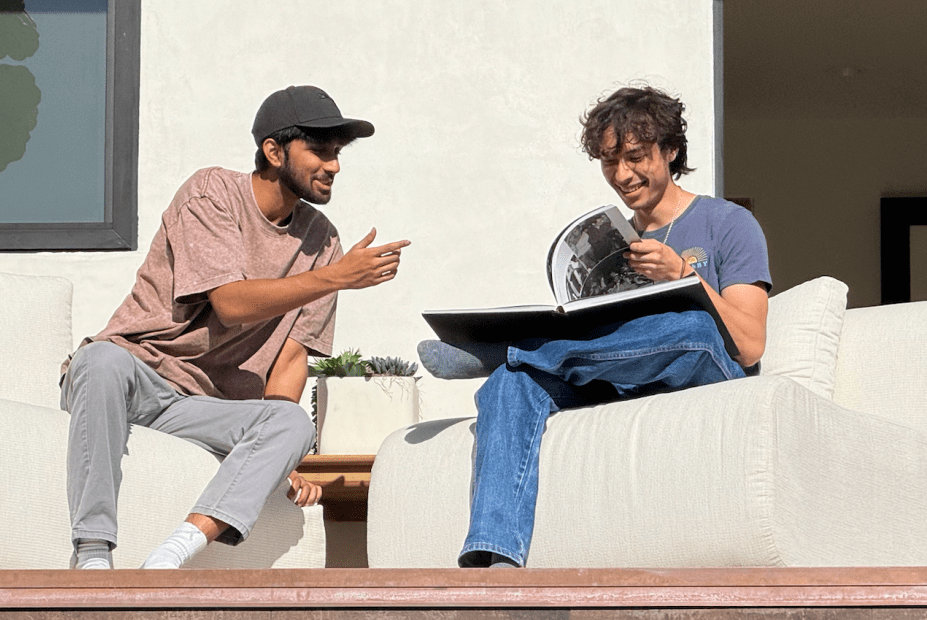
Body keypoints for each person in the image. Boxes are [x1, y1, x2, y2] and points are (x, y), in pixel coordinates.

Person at [420, 85, 771, 568]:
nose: (622, 175)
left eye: (636, 157)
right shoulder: (616, 240)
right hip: (624, 376)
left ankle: (506, 348)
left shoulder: (727, 222)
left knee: (692, 326)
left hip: (705, 369)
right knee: (510, 382)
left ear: (671, 150)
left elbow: (749, 346)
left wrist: (683, 276)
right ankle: (495, 559)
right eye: (609, 161)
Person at [61, 85, 410, 569]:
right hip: (134, 378)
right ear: (274, 151)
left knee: (292, 422)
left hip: (202, 409)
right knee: (101, 358)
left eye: (337, 153)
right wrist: (337, 278)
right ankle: (93, 554)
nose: (333, 165)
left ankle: (171, 555)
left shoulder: (323, 242)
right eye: (319, 150)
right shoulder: (212, 192)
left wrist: (278, 456)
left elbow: (291, 357)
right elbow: (229, 303)